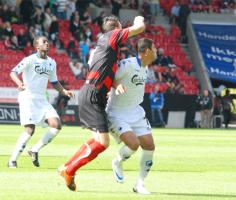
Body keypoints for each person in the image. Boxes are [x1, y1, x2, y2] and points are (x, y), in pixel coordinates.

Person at [58, 15, 145, 191]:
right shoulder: (111, 37)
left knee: (97, 140)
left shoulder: (106, 48)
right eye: (121, 28)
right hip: (93, 95)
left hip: (92, 94)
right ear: (116, 28)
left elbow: (99, 72)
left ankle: (66, 167)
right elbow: (139, 28)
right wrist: (139, 18)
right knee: (103, 143)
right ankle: (70, 170)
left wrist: (116, 83)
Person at [8, 36, 74, 168]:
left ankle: (34, 150)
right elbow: (13, 72)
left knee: (56, 124)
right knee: (30, 129)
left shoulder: (52, 62)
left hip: (41, 99)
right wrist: (19, 83)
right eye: (43, 42)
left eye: (47, 41)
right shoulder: (30, 60)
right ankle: (12, 160)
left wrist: (64, 91)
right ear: (37, 46)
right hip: (28, 97)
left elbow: (54, 82)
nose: (47, 43)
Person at [106, 38, 157, 194]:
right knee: (133, 144)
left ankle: (140, 184)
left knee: (149, 145)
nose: (156, 51)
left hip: (135, 111)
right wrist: (116, 85)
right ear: (147, 51)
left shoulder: (146, 67)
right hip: (117, 112)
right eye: (154, 48)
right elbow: (108, 78)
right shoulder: (127, 65)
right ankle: (117, 162)